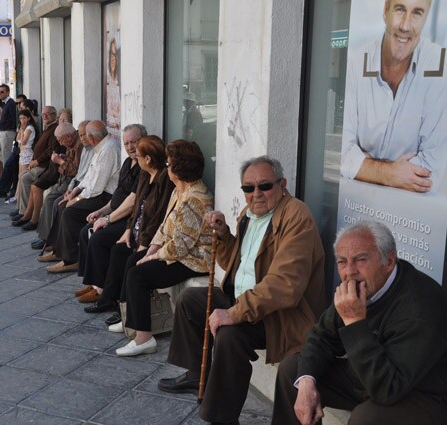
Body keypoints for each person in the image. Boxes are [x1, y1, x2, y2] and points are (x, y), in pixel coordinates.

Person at [157, 156, 326, 424]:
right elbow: (236, 264)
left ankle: (221, 418)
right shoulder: (249, 214)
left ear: (282, 185)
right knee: (191, 300)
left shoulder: (296, 216)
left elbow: (285, 284)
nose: (256, 194)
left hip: (280, 314)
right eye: (248, 188)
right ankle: (195, 375)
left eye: (264, 186)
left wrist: (234, 313)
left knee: (229, 335)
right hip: (245, 298)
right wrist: (224, 234)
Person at [272, 221, 447, 425]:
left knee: (365, 418)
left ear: (389, 261)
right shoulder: (362, 286)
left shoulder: (419, 308)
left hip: (421, 394)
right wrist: (306, 384)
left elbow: (388, 389)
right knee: (293, 371)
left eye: (360, 259)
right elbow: (321, 337)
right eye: (342, 261)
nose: (349, 271)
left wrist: (354, 321)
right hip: (371, 377)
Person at [113, 140, 213, 356]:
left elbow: (181, 246)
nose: (167, 167)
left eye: (169, 164)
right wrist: (151, 249)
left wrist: (154, 256)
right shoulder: (180, 190)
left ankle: (144, 338)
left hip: (194, 261)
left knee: (139, 275)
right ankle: (130, 318)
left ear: (179, 168)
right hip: (180, 252)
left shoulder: (195, 198)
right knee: (133, 260)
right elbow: (166, 225)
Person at [340, 0, 447, 193]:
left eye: (417, 13)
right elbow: (342, 153)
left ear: (426, 17)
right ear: (385, 11)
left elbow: (430, 169)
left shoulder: (440, 65)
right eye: (400, 9)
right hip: (356, 203)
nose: (405, 26)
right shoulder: (357, 63)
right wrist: (390, 173)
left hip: (410, 214)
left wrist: (365, 165)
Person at [81, 135, 174, 319]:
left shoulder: (164, 179)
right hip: (137, 230)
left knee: (130, 260)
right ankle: (107, 299)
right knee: (118, 249)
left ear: (147, 159)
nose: (134, 157)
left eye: (138, 155)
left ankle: (123, 310)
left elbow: (158, 217)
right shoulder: (145, 174)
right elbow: (137, 207)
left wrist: (144, 244)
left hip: (151, 236)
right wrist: (128, 231)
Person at [72, 124, 147, 300]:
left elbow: (131, 203)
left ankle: (101, 290)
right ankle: (93, 283)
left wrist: (108, 219)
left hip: (129, 218)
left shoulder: (143, 167)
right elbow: (118, 196)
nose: (130, 147)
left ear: (143, 141)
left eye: (134, 142)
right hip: (116, 212)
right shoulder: (128, 162)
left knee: (98, 236)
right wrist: (101, 211)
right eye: (126, 143)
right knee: (86, 231)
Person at [41, 120, 122, 273]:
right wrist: (75, 191)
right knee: (62, 204)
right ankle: (59, 251)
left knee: (69, 212)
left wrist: (77, 199)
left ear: (91, 138)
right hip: (97, 192)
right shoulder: (101, 147)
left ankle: (71, 258)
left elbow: (97, 187)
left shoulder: (108, 150)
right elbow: (89, 176)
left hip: (105, 196)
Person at [30, 120, 94, 251]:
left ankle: (49, 239)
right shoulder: (76, 145)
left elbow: (75, 172)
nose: (83, 138)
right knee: (50, 197)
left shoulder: (82, 146)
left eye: (60, 140)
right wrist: (64, 158)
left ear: (69, 136)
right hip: (73, 183)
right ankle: (47, 238)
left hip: (78, 185)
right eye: (81, 135)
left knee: (52, 200)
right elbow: (77, 171)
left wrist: (60, 161)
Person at [11, 106, 59, 218]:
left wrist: (37, 161)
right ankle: (22, 210)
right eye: (43, 114)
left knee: (25, 178)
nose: (45, 116)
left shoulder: (55, 129)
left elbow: (50, 150)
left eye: (48, 114)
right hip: (37, 162)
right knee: (22, 175)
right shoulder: (47, 128)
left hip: (45, 166)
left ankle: (26, 212)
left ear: (54, 116)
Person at [0, 84, 17, 175]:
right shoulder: (5, 104)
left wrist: (15, 130)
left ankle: (7, 181)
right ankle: (11, 162)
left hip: (8, 132)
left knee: (6, 157)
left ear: (8, 93)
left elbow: (14, 118)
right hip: (2, 132)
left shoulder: (11, 103)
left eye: (2, 92)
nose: (0, 94)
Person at [17, 109, 38, 175]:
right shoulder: (24, 127)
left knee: (23, 175)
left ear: (28, 118)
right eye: (20, 118)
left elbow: (23, 142)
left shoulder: (29, 128)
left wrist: (22, 131)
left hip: (27, 153)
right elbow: (17, 139)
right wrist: (20, 130)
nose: (22, 120)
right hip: (22, 153)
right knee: (20, 175)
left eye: (24, 118)